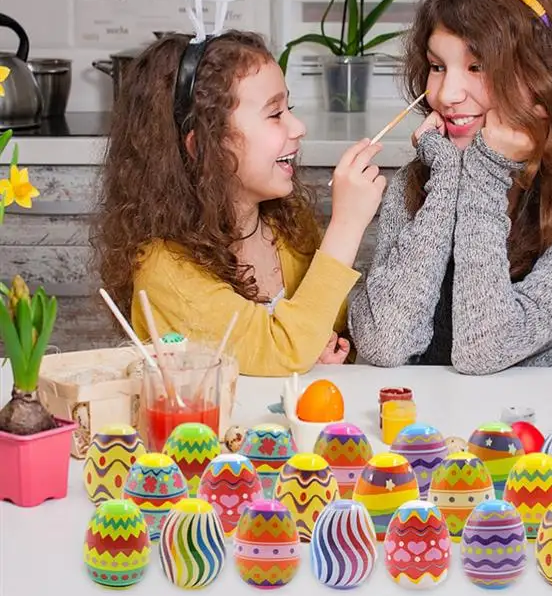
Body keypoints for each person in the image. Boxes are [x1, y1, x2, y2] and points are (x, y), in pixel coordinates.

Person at [348, 0, 552, 374]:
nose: (447, 95)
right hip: (440, 416)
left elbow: (484, 350)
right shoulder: (423, 180)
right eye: (437, 66)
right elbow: (384, 344)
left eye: (477, 67)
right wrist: (448, 181)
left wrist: (484, 175)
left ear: (544, 74)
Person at [91, 30, 386, 376]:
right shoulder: (164, 271)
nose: (298, 127)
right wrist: (347, 225)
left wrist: (327, 351)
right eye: (275, 114)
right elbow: (283, 350)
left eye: (289, 108)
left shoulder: (288, 225)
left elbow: (324, 326)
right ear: (204, 147)